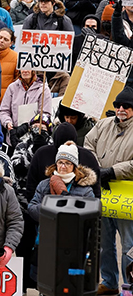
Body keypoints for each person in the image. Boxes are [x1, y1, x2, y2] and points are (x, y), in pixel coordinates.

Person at [84, 88, 133, 295]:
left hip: (126, 193)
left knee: (129, 244)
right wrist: (96, 169)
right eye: (118, 105)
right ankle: (109, 281)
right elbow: (87, 145)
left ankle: (129, 285)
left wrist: (112, 171)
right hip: (102, 190)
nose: (121, 109)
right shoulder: (103, 124)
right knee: (104, 242)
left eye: (126, 106)